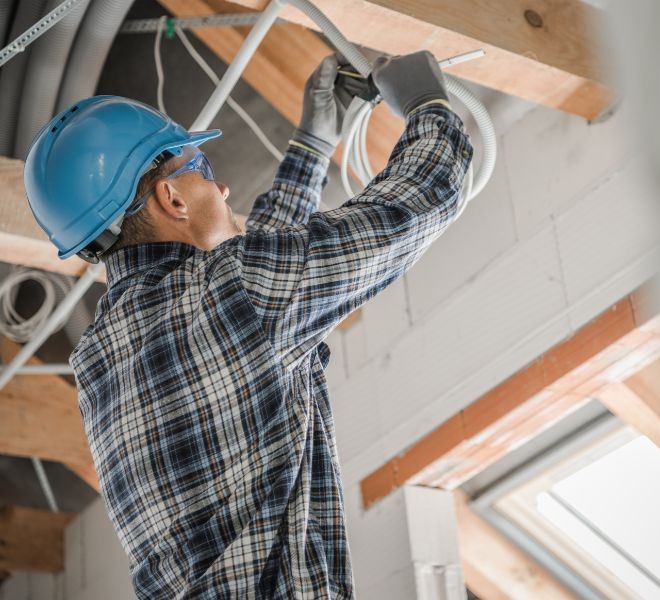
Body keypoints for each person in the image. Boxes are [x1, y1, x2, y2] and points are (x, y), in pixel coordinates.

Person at [23, 51, 472, 598]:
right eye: (202, 171)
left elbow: (253, 294)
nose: (224, 189)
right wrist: (427, 103)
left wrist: (312, 144)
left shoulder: (100, 356)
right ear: (171, 197)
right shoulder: (237, 296)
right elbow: (424, 198)